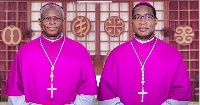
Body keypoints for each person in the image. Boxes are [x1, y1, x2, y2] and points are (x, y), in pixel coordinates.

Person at [97, 1, 192, 105]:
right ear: (132, 21)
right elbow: (106, 90)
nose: (142, 22)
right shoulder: (116, 54)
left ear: (155, 21)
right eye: (137, 17)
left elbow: (181, 91)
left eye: (148, 17)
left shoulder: (173, 54)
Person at [4, 2, 97, 105]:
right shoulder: (25, 52)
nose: (52, 22)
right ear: (40, 22)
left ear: (63, 21)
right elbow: (15, 91)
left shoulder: (80, 51)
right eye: (47, 18)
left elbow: (87, 89)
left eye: (56, 18)